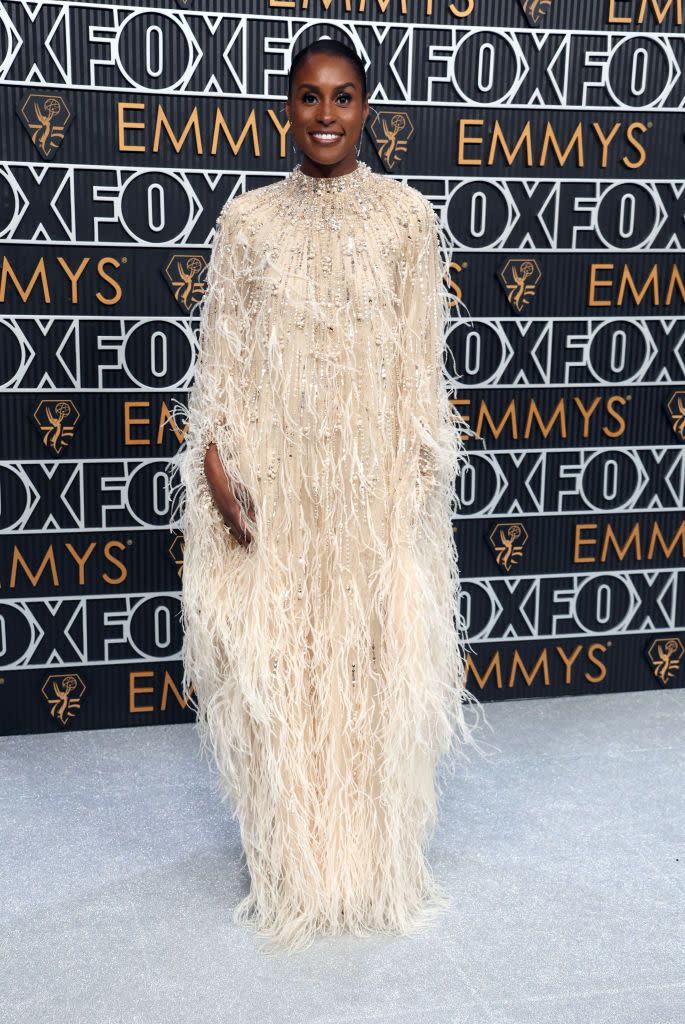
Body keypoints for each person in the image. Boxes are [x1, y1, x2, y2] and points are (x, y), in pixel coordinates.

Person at [170, 38, 490, 954]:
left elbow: (419, 370)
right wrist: (217, 465)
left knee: (370, 672)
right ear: (287, 109)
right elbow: (223, 355)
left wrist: (414, 485)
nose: (324, 115)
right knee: (285, 673)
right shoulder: (247, 223)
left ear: (366, 108)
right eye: (308, 97)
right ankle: (298, 866)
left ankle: (368, 864)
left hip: (370, 486)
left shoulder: (405, 219)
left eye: (342, 97)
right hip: (279, 487)